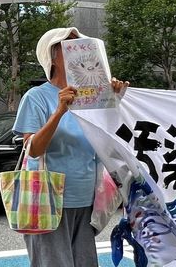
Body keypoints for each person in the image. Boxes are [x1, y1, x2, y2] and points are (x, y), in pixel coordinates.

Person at [14, 27, 128, 267]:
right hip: (47, 200)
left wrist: (116, 101)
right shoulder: (36, 96)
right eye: (69, 46)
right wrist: (59, 111)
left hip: (87, 198)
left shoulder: (95, 96)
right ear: (52, 56)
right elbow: (32, 149)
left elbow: (110, 140)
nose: (79, 51)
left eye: (81, 46)